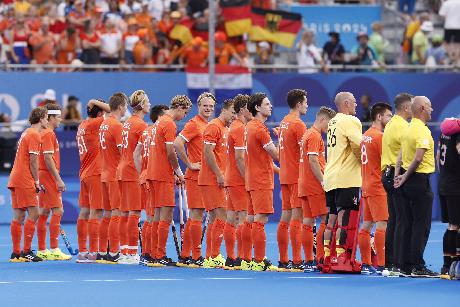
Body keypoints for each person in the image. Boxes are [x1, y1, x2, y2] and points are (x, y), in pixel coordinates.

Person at [394, 96, 438, 277]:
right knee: (421, 225)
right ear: (421, 108)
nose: (432, 110)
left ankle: (405, 265)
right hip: (418, 181)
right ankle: (417, 266)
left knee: (408, 223)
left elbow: (400, 155)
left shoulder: (408, 128)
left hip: (407, 180)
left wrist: (399, 175)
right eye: (429, 106)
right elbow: (418, 158)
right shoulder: (422, 131)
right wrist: (404, 176)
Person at [146, 95, 192, 267]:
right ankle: (159, 255)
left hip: (153, 171)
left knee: (157, 215)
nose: (184, 117)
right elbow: (170, 152)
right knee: (165, 216)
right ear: (179, 107)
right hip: (161, 174)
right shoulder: (169, 123)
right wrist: (179, 172)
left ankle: (152, 254)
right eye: (185, 112)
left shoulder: (159, 122)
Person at [175, 92, 215, 267]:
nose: (208, 109)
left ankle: (185, 255)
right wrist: (190, 164)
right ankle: (196, 255)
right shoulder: (193, 124)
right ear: (199, 107)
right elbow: (177, 143)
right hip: (195, 177)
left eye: (211, 106)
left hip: (206, 177)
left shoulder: (209, 125)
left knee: (195, 216)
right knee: (197, 215)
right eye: (206, 105)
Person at [323, 92, 362, 267]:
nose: (356, 105)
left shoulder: (332, 121)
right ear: (346, 103)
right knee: (344, 218)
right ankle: (340, 257)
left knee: (331, 219)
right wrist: (364, 162)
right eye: (354, 102)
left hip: (331, 176)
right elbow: (359, 145)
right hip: (346, 177)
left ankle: (325, 255)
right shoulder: (351, 121)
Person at [199, 99, 236, 268]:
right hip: (212, 179)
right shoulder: (214, 126)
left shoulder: (224, 128)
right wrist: (219, 174)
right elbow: (207, 152)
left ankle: (209, 256)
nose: (234, 116)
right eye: (233, 113)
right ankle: (213, 255)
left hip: (216, 178)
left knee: (214, 218)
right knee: (221, 216)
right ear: (225, 110)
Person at [299, 106, 336, 272]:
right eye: (330, 124)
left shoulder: (307, 133)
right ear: (322, 119)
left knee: (307, 222)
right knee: (325, 219)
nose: (330, 128)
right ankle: (321, 257)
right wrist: (323, 181)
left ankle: (308, 259)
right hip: (315, 184)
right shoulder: (314, 135)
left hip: (305, 183)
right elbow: (313, 161)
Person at [8, 107, 48, 262]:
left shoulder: (26, 132)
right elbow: (33, 161)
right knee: (34, 213)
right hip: (24, 178)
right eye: (46, 117)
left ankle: (16, 253)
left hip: (15, 177)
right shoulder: (34, 135)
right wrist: (37, 181)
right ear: (40, 118)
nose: (47, 120)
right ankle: (26, 251)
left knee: (19, 215)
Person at [245, 92, 279, 271]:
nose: (270, 106)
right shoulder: (259, 129)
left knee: (251, 218)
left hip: (252, 178)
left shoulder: (250, 127)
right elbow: (276, 154)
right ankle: (259, 260)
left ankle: (250, 258)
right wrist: (285, 141)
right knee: (260, 219)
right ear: (257, 107)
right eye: (266, 104)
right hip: (261, 180)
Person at [358, 103, 393, 275]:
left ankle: (365, 263)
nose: (390, 120)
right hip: (378, 186)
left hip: (366, 184)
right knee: (382, 225)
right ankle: (381, 264)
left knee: (366, 226)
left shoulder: (365, 136)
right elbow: (387, 163)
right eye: (388, 116)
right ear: (379, 117)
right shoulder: (380, 137)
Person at [381, 93, 413, 276]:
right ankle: (398, 263)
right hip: (395, 173)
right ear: (406, 107)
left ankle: (390, 262)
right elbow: (407, 152)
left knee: (394, 220)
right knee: (402, 220)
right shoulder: (402, 126)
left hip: (386, 173)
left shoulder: (392, 123)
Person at [276, 89, 308, 272]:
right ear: (298, 104)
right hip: (296, 175)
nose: (307, 105)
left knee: (286, 216)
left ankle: (283, 259)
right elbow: (304, 152)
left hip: (285, 174)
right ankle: (296, 260)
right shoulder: (298, 124)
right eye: (305, 102)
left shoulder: (284, 122)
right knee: (298, 217)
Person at [76, 99, 110, 263]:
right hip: (95, 172)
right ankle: (93, 251)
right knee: (96, 212)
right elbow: (114, 111)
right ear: (100, 113)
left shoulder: (82, 124)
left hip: (84, 172)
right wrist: (94, 101)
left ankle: (82, 251)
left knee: (84, 211)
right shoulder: (96, 123)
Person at [134, 104, 169, 266]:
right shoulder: (160, 130)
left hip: (146, 175)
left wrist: (142, 171)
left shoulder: (146, 131)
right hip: (156, 175)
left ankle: (146, 252)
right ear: (161, 116)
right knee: (154, 216)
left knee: (149, 216)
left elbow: (136, 153)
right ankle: (153, 253)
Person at [118, 90, 150, 265]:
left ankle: (124, 251)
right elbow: (142, 153)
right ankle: (130, 252)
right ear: (142, 105)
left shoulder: (127, 123)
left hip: (123, 169)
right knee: (134, 213)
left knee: (125, 213)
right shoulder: (141, 126)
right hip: (132, 171)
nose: (150, 105)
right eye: (148, 102)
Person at [35, 104, 70, 261]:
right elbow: (48, 158)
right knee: (58, 211)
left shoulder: (43, 133)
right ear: (51, 118)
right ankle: (54, 249)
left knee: (44, 212)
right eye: (59, 117)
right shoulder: (49, 134)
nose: (61, 119)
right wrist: (58, 179)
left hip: (43, 175)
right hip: (48, 176)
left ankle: (42, 249)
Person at [98, 92, 128, 264]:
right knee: (116, 213)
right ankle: (115, 251)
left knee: (107, 214)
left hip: (105, 173)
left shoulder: (104, 124)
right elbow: (122, 152)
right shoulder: (116, 126)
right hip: (115, 174)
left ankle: (103, 251)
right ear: (122, 106)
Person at [223, 94, 253, 270]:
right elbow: (240, 158)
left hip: (231, 177)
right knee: (243, 218)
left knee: (231, 218)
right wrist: (248, 178)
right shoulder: (240, 128)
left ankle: (231, 257)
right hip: (238, 179)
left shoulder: (232, 127)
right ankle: (243, 258)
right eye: (251, 107)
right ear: (243, 109)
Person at [437, 117, 460, 278]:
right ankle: (456, 265)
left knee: (452, 225)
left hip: (444, 183)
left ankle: (447, 266)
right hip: (456, 187)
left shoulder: (445, 132)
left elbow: (438, 156)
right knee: (456, 226)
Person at [439, 0, 460, 65]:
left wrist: (448, 19)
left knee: (446, 42)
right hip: (458, 26)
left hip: (448, 25)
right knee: (458, 43)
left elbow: (442, 14)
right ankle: (456, 58)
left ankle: (451, 57)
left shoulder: (446, 3)